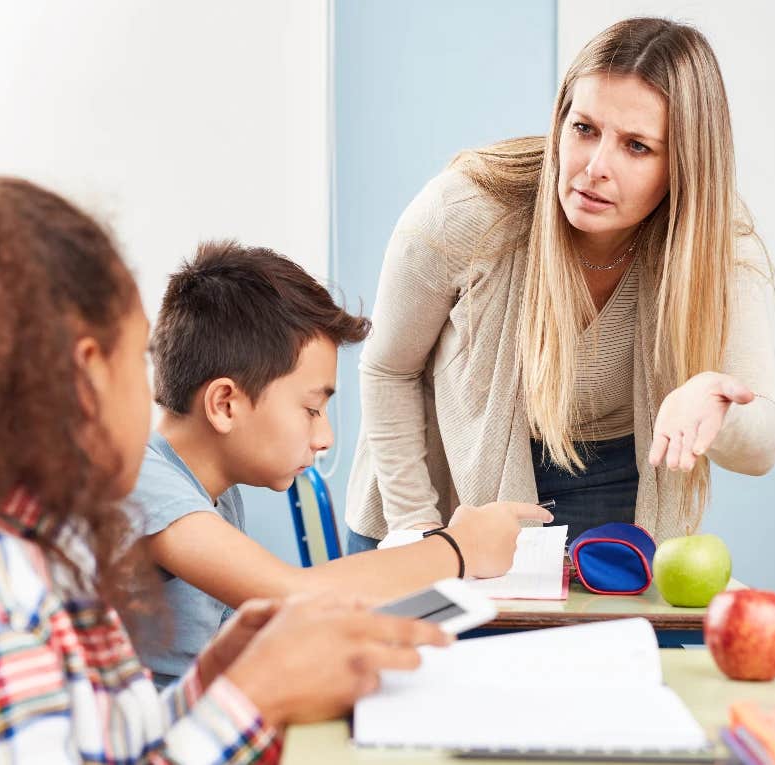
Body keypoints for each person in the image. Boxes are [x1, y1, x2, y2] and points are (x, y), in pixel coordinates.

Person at [0, 162, 450, 762]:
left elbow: (96, 748)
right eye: (135, 359)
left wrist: (212, 680)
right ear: (81, 376)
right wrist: (250, 699)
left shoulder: (34, 551)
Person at [346, 17, 775, 551]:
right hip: (433, 477)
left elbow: (761, 448)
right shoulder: (464, 210)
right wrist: (415, 531)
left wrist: (716, 405)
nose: (595, 167)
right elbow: (389, 369)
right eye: (584, 129)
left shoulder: (716, 245)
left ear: (685, 165)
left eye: (637, 146)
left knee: (614, 637)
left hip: (610, 476)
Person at [129, 240, 548, 685]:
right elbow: (291, 594)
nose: (324, 438)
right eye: (312, 410)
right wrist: (461, 548)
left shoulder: (213, 491)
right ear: (225, 404)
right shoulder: (145, 480)